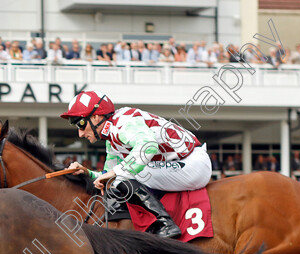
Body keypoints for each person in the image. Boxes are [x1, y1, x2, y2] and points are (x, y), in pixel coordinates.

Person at [63, 90, 211, 238]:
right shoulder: (111, 139)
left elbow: (149, 146)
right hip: (177, 165)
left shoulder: (124, 122)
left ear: (96, 117)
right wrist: (87, 173)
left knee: (124, 174)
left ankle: (164, 224)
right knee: (120, 176)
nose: (80, 134)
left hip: (193, 163)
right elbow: (108, 174)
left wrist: (116, 173)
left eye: (81, 124)